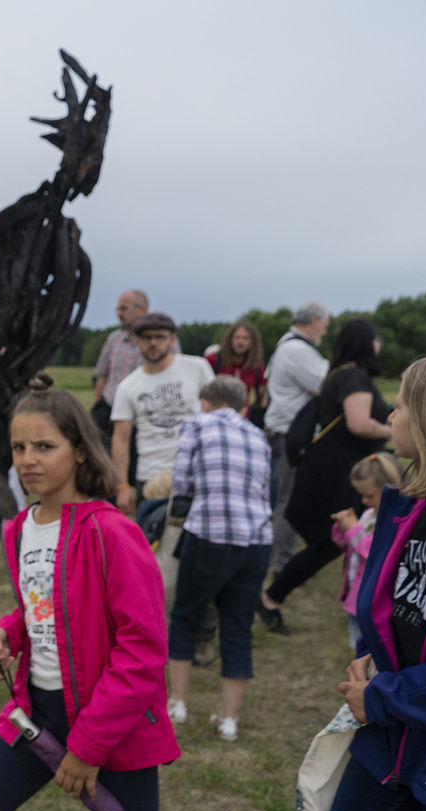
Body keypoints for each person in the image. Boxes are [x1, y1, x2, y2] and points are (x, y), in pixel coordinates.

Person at [0, 374, 179, 811]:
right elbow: (45, 606)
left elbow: (143, 650)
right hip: (35, 716)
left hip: (111, 723)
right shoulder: (20, 529)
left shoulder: (113, 532)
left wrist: (88, 747)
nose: (28, 460)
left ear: (79, 449)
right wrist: (9, 630)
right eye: (19, 448)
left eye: (45, 447)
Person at [325, 352, 426, 811]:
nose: (390, 417)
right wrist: (369, 656)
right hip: (388, 744)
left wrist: (382, 696)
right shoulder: (409, 509)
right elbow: (396, 612)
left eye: (401, 406)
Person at [260, 318, 392, 634]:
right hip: (339, 473)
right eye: (375, 339)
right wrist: (395, 432)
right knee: (333, 541)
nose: (379, 346)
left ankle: (274, 598)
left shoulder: (341, 374)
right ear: (365, 343)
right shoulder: (354, 378)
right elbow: (359, 423)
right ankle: (271, 598)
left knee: (337, 541)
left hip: (331, 469)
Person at [163, 376, 272, 743]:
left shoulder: (196, 424)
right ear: (243, 406)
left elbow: (181, 482)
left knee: (185, 615)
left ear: (206, 401)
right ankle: (229, 720)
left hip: (209, 535)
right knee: (238, 628)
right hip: (256, 540)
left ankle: (177, 702)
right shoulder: (259, 435)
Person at [110, 311, 214, 516]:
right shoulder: (128, 386)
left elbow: (216, 413)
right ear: (136, 341)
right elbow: (121, 437)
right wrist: (121, 486)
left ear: (172, 339)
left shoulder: (197, 368)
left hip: (197, 471)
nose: (153, 343)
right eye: (147, 338)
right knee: (151, 541)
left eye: (160, 337)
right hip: (151, 474)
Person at [262, 302, 331, 571]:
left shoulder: (285, 344)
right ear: (314, 320)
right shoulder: (297, 350)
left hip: (283, 431)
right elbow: (326, 384)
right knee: (289, 501)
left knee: (286, 498)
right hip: (291, 434)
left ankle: (284, 556)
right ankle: (283, 563)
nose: (324, 333)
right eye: (323, 327)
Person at [331, 453, 402, 649]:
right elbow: (351, 547)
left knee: (373, 651)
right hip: (356, 598)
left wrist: (354, 530)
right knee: (357, 648)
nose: (364, 500)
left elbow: (375, 553)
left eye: (369, 495)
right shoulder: (369, 516)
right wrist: (342, 528)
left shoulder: (396, 521)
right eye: (361, 494)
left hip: (375, 603)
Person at [91, 291, 179, 443]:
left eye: (124, 309)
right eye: (118, 309)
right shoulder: (114, 339)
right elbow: (102, 374)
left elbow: (173, 375)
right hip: (109, 410)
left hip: (144, 415)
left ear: (142, 309)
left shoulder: (166, 342)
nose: (119, 313)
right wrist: (99, 404)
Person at [203, 319, 268, 423]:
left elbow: (262, 396)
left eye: (245, 338)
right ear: (230, 339)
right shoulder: (214, 360)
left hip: (241, 421)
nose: (240, 342)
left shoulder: (256, 366)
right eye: (237, 337)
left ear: (252, 342)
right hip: (214, 420)